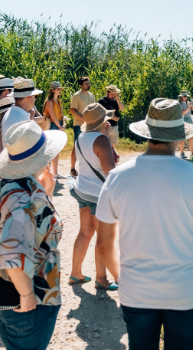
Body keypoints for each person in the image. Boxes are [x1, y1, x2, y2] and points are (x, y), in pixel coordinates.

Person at [96, 98, 193, 350]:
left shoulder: (118, 177)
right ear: (180, 136)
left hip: (137, 292)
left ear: (146, 133)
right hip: (186, 290)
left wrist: (121, 276)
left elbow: (104, 244)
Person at [0, 120, 67, 350]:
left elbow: (15, 231)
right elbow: (12, 251)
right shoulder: (27, 197)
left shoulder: (3, 187)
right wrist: (27, 294)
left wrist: (46, 194)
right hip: (28, 298)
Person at [69, 104, 119, 290]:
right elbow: (110, 172)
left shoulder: (81, 136)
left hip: (82, 190)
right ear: (102, 121)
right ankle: (101, 278)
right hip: (98, 195)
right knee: (103, 238)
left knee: (85, 232)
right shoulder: (101, 139)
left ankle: (75, 273)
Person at [69, 76, 96, 177]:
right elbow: (72, 110)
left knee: (89, 146)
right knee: (77, 146)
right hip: (79, 125)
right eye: (86, 84)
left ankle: (87, 169)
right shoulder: (77, 96)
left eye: (89, 83)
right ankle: (72, 168)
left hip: (90, 125)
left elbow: (93, 109)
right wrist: (84, 119)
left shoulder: (91, 95)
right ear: (81, 85)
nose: (88, 85)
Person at [43, 81, 70, 179]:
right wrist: (60, 126)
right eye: (58, 89)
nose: (59, 91)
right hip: (52, 125)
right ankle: (49, 173)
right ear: (53, 90)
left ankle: (55, 172)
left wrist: (64, 123)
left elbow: (62, 114)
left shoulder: (59, 101)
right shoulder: (49, 102)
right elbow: (52, 116)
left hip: (58, 124)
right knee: (50, 149)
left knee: (56, 150)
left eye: (60, 89)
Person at [177, 90, 193, 159]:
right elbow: (183, 113)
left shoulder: (188, 103)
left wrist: (192, 105)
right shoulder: (178, 104)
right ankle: (182, 153)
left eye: (186, 96)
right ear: (181, 97)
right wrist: (189, 107)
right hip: (182, 120)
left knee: (191, 137)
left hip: (189, 120)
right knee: (182, 138)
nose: (185, 98)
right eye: (184, 96)